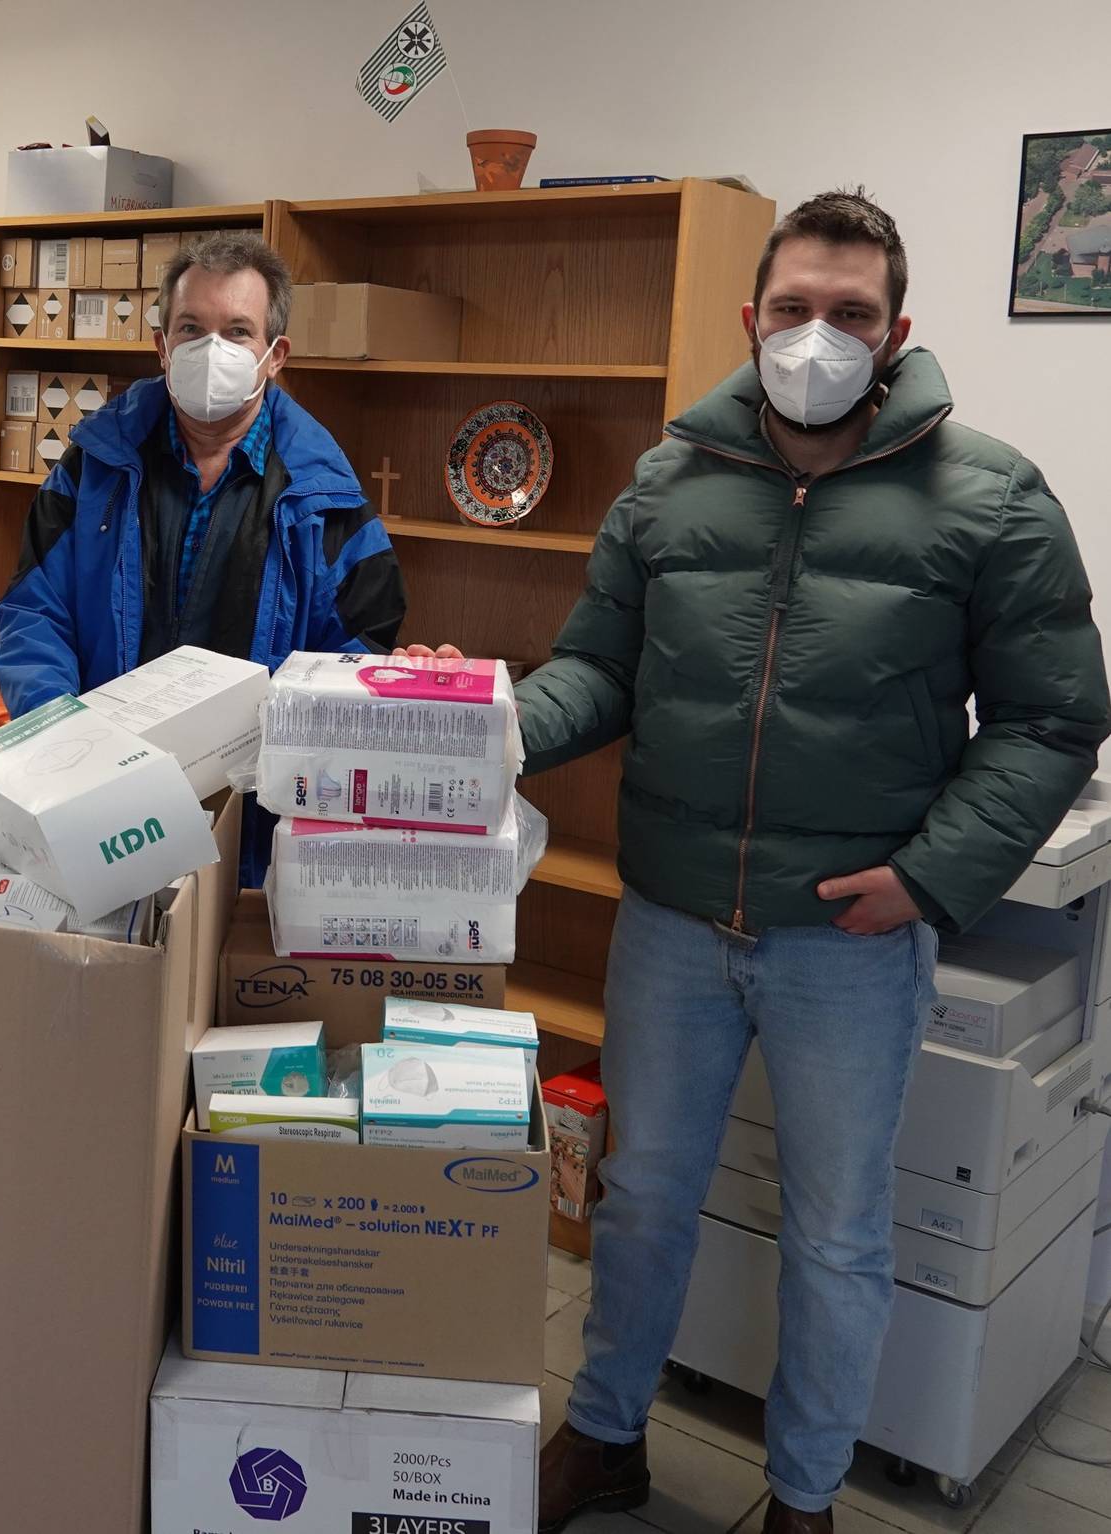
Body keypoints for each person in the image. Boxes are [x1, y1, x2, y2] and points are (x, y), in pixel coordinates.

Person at [407, 191, 1108, 1533]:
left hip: (848, 942)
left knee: (838, 1236)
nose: (816, 337)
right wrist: (485, 724)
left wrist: (930, 876)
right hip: (672, 918)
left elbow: (1055, 716)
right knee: (643, 1196)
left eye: (850, 314)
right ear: (752, 318)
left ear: (897, 332)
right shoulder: (672, 483)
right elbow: (599, 673)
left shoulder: (993, 494)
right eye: (793, 309)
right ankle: (606, 1434)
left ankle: (803, 1497)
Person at [0, 230, 407, 712]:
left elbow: (360, 652)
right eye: (190, 328)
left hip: (251, 779)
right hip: (106, 763)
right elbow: (34, 610)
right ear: (163, 347)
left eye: (237, 331)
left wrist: (401, 680)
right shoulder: (93, 465)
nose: (212, 351)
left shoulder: (324, 497)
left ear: (274, 356)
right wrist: (58, 728)